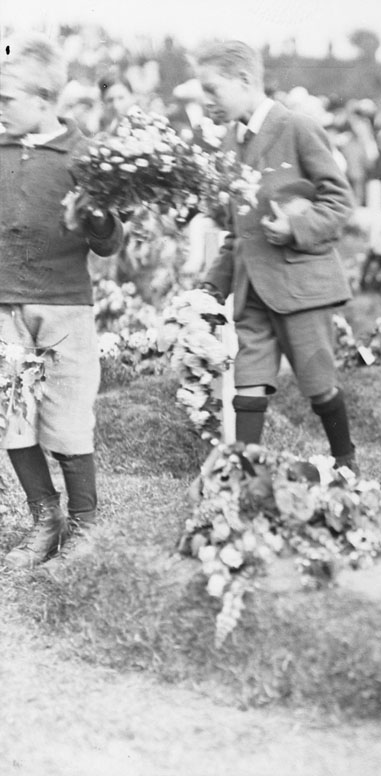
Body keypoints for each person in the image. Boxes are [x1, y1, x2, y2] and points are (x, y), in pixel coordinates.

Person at [193, 40, 359, 470]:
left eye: (212, 89)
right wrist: (212, 286)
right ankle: (244, 474)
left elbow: (340, 203)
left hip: (299, 287)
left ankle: (346, 461)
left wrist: (295, 228)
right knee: (248, 385)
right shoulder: (230, 143)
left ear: (245, 80)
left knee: (319, 385)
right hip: (253, 292)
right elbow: (238, 233)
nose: (205, 100)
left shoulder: (297, 128)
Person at [0, 35, 125, 568]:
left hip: (63, 307)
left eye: (8, 99)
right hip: (4, 304)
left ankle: (84, 526)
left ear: (45, 100)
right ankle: (44, 518)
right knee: (10, 415)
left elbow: (111, 241)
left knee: (68, 417)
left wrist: (97, 218)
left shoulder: (84, 156)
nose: (0, 108)